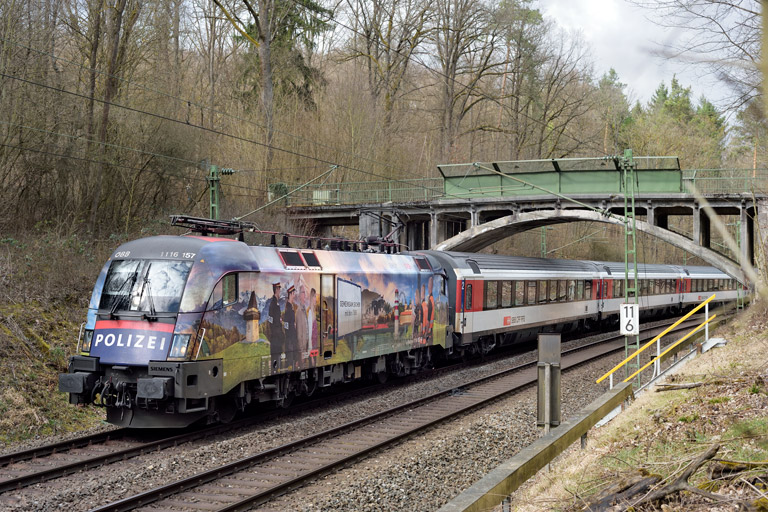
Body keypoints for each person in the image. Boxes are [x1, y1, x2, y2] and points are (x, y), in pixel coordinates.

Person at [268, 282, 284, 368]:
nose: (280, 291)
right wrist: (281, 336)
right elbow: (273, 323)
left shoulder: (274, 304)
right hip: (276, 341)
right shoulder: (274, 305)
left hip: (275, 340)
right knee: (277, 366)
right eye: (279, 289)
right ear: (277, 290)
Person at [296, 284, 309, 364]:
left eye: (305, 292)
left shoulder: (304, 309)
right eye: (303, 292)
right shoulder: (299, 311)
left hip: (307, 346)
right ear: (300, 295)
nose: (305, 294)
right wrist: (301, 351)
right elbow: (299, 333)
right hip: (303, 349)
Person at [426, 276, 435, 343]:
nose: (428, 287)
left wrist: (428, 330)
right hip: (430, 328)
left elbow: (429, 316)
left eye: (429, 285)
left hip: (430, 329)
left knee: (429, 342)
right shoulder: (430, 298)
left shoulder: (431, 299)